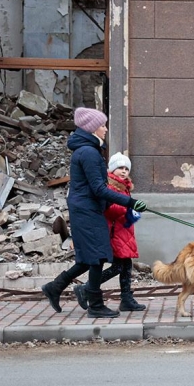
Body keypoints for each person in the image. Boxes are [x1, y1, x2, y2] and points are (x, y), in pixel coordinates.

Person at [41, 107, 147, 318]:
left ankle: (55, 287)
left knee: (88, 258)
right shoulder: (88, 152)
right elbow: (99, 188)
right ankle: (95, 305)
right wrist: (130, 202)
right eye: (102, 125)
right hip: (87, 211)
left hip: (88, 209)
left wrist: (123, 206)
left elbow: (96, 189)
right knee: (98, 257)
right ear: (92, 128)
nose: (105, 129)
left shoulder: (88, 150)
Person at [73, 152, 147, 312]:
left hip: (123, 231)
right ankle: (86, 288)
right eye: (120, 168)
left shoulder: (125, 187)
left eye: (126, 169)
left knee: (126, 265)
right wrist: (129, 207)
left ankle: (126, 298)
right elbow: (110, 209)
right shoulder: (109, 186)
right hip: (113, 232)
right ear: (112, 169)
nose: (124, 171)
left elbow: (126, 212)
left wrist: (134, 212)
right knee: (118, 266)